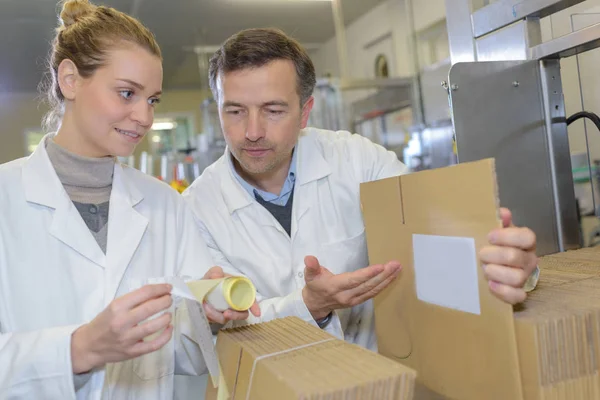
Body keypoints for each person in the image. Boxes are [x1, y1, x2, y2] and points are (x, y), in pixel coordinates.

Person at [182, 28, 539, 351]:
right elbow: (225, 326)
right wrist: (309, 305)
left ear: (305, 113)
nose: (253, 131)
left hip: (382, 376)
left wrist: (505, 259)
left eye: (273, 110)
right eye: (235, 112)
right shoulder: (196, 209)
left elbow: (437, 228)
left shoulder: (356, 159)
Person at [0, 1, 258, 399]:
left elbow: (185, 355)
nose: (144, 116)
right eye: (127, 93)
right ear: (70, 79)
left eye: (152, 99)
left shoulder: (165, 206)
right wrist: (79, 348)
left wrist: (209, 318)